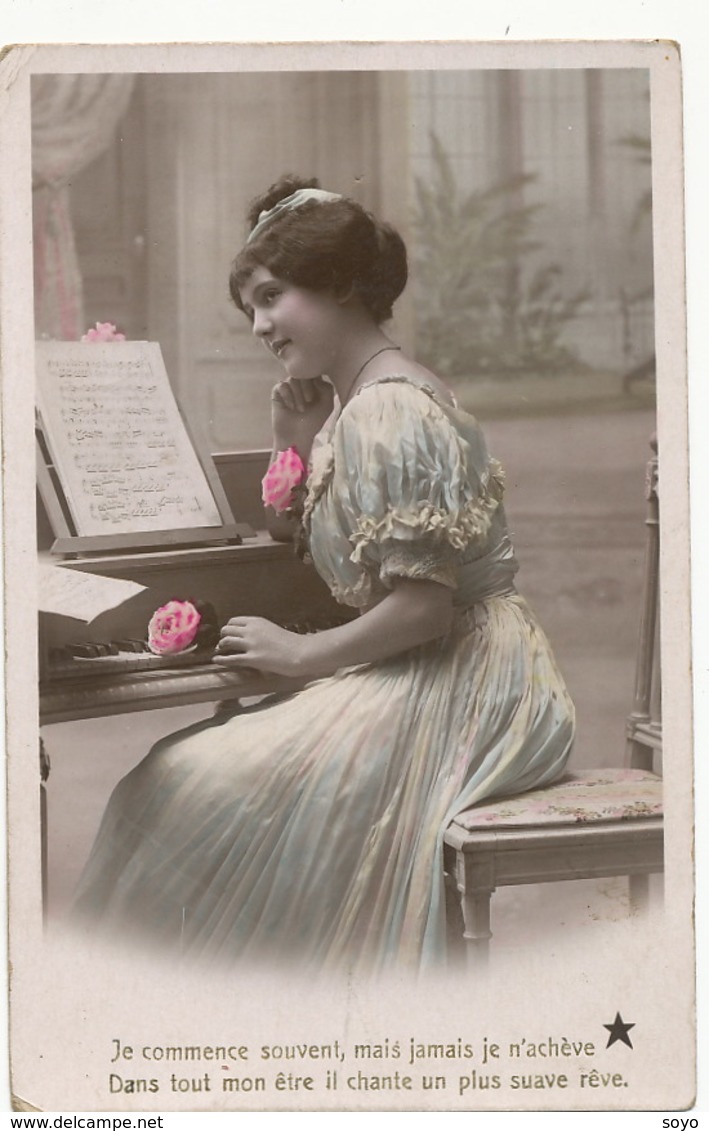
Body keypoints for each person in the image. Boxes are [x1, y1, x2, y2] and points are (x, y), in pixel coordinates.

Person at [72, 175, 575, 976]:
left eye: (272, 297)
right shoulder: (355, 405)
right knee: (182, 771)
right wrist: (296, 434)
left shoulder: (390, 410)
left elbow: (423, 611)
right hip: (430, 662)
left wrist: (301, 656)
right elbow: (324, 551)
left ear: (341, 284)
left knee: (184, 783)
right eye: (250, 310)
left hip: (470, 677)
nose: (260, 325)